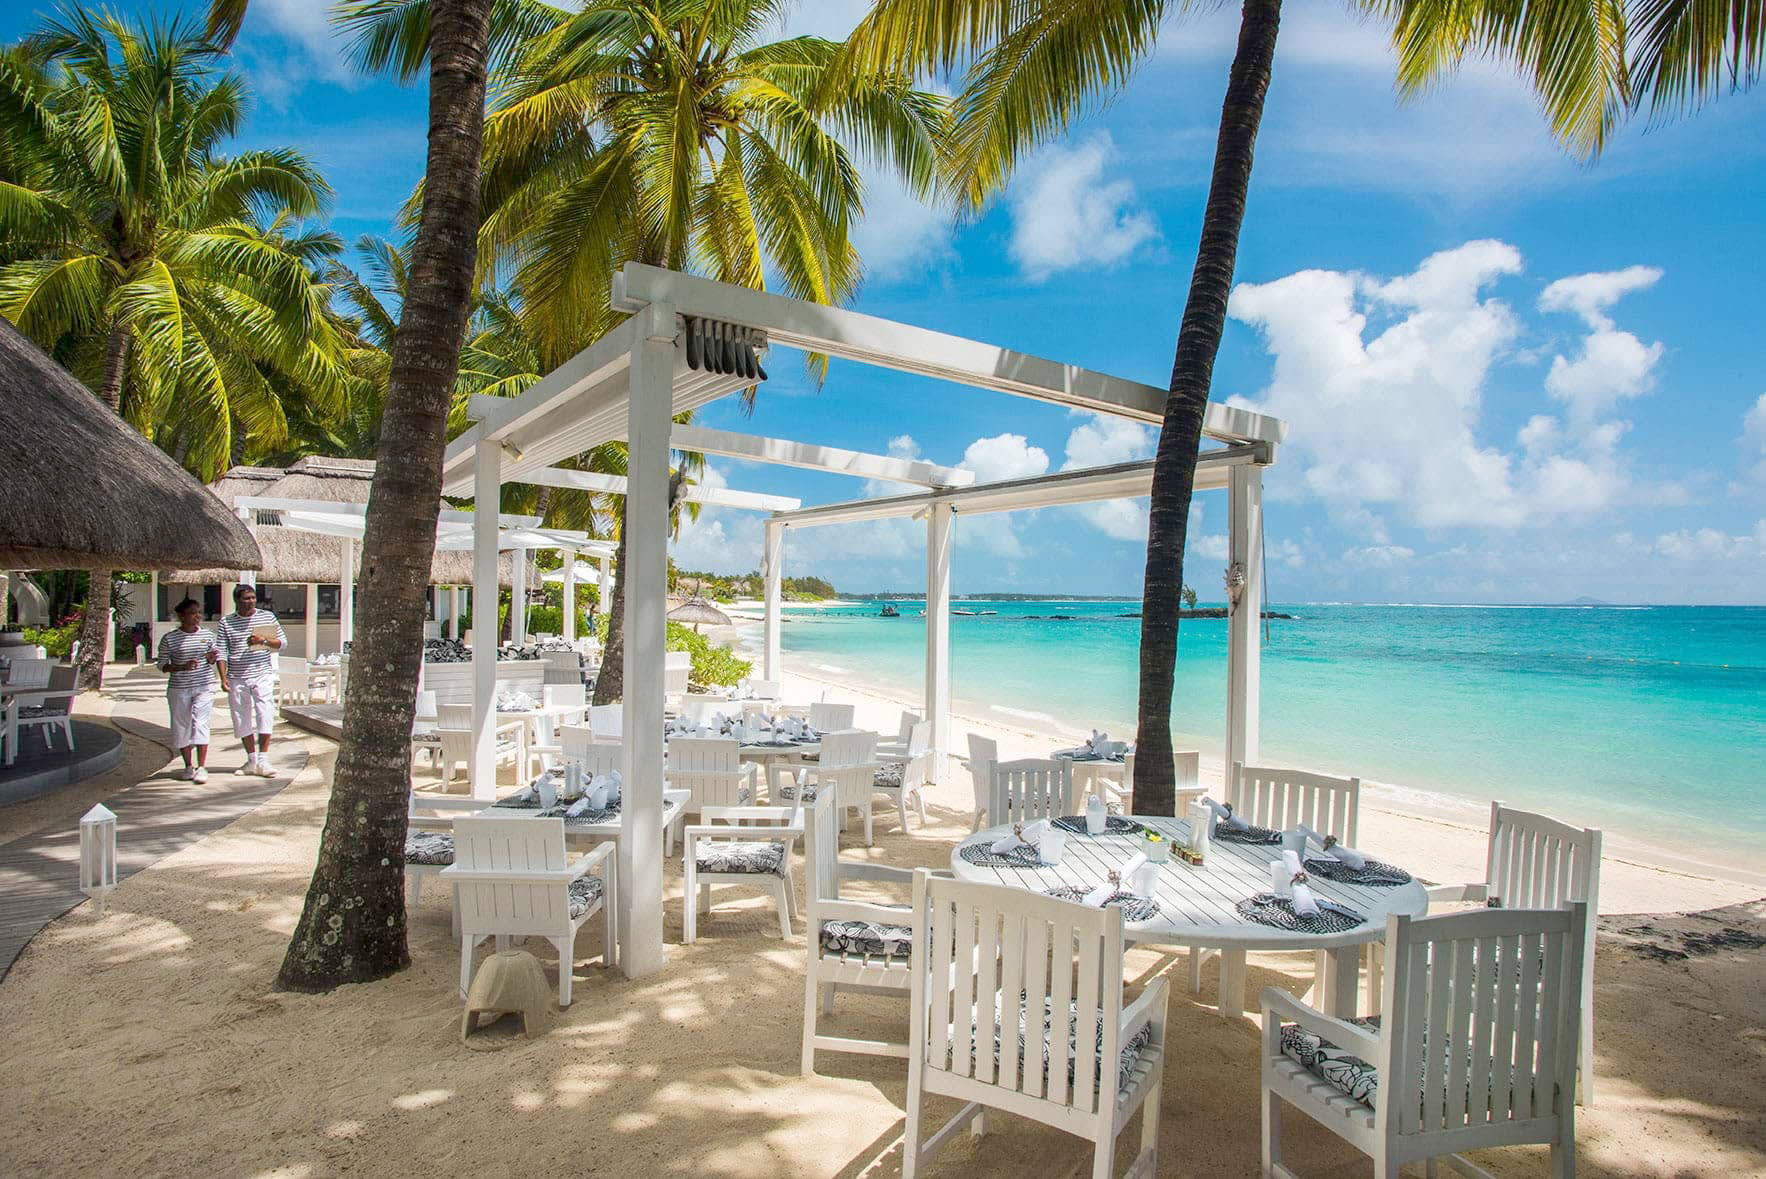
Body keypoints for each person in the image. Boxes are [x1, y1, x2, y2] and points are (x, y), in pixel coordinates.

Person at [155, 598, 226, 783]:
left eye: (199, 612)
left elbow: (215, 657)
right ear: (181, 615)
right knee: (181, 725)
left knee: (200, 722)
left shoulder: (208, 635)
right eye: (193, 613)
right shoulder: (170, 638)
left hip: (204, 685)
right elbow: (162, 665)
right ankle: (188, 766)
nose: (197, 616)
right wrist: (181, 667)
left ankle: (202, 766)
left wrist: (211, 660)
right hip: (179, 687)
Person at [218, 584, 285, 777]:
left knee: (265, 713)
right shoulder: (226, 622)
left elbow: (282, 643)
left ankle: (264, 759)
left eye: (253, 598)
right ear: (237, 600)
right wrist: (223, 678)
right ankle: (252, 760)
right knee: (241, 717)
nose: (250, 602)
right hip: (237, 676)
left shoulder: (267, 617)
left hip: (261, 673)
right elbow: (222, 650)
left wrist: (262, 641)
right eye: (246, 598)